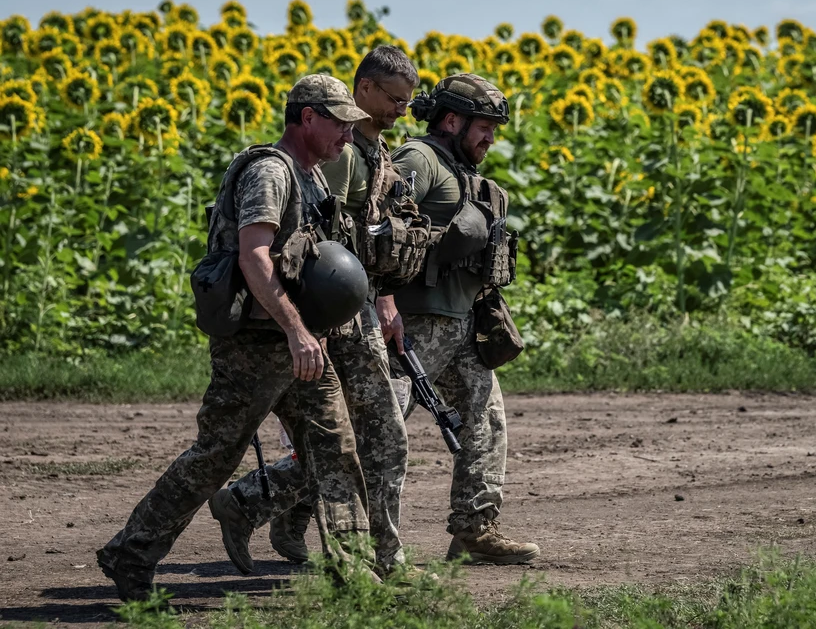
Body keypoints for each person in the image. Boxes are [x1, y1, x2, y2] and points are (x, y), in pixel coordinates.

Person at [96, 73, 376, 602]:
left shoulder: (312, 176)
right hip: (257, 344)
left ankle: (356, 573)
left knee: (335, 446)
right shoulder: (271, 172)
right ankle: (129, 554)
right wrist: (296, 330)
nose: (347, 135)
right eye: (340, 123)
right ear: (308, 117)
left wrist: (309, 331)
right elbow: (254, 255)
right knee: (215, 456)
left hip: (299, 343)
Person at [208, 46, 428, 577]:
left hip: (355, 310)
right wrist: (312, 324)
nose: (402, 109)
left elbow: (366, 241)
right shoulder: (339, 154)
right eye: (394, 99)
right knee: (360, 436)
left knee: (357, 436)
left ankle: (257, 506)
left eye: (408, 101)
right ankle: (372, 559)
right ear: (364, 90)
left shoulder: (373, 150)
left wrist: (386, 297)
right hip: (335, 315)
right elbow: (324, 245)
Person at [380, 73, 540, 564]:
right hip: (413, 328)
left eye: (495, 128)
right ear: (451, 120)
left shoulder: (463, 170)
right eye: (484, 126)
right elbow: (381, 232)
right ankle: (252, 498)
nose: (491, 138)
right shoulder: (418, 160)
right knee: (378, 432)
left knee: (486, 421)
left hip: (462, 325)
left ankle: (475, 530)